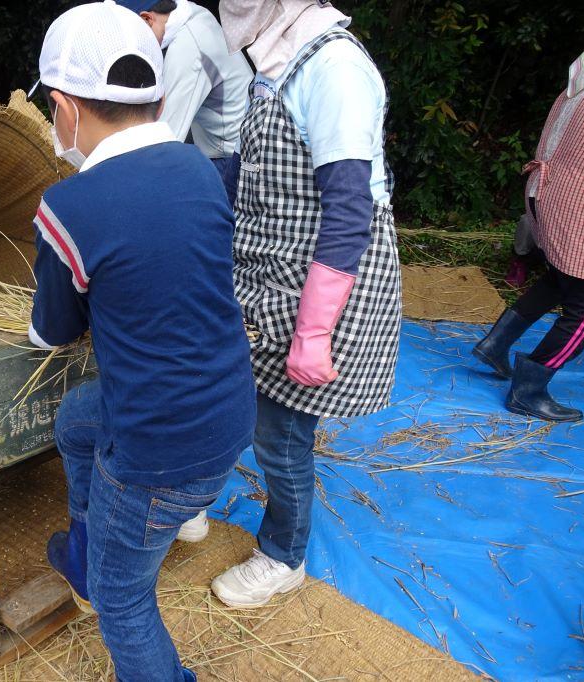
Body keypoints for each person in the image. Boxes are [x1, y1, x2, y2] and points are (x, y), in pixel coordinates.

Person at [30, 2, 256, 679]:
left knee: (123, 600)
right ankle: (87, 540)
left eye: (51, 106)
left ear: (65, 108)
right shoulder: (200, 171)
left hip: (158, 449)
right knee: (76, 419)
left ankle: (103, 574)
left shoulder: (68, 207)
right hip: (228, 417)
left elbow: (52, 334)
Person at [202, 0, 401, 608]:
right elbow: (250, 173)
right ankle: (187, 501)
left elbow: (348, 211)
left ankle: (284, 554)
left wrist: (314, 332)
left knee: (281, 434)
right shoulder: (277, 61)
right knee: (231, 398)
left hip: (321, 285)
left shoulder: (334, 68)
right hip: (268, 275)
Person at [473, 22, 584, 422]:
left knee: (558, 280)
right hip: (583, 207)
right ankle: (529, 389)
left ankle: (495, 344)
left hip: (548, 195)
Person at [117, 0, 253, 206]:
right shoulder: (192, 14)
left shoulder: (188, 48)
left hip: (231, 159)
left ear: (147, 19)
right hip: (230, 145)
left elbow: (166, 137)